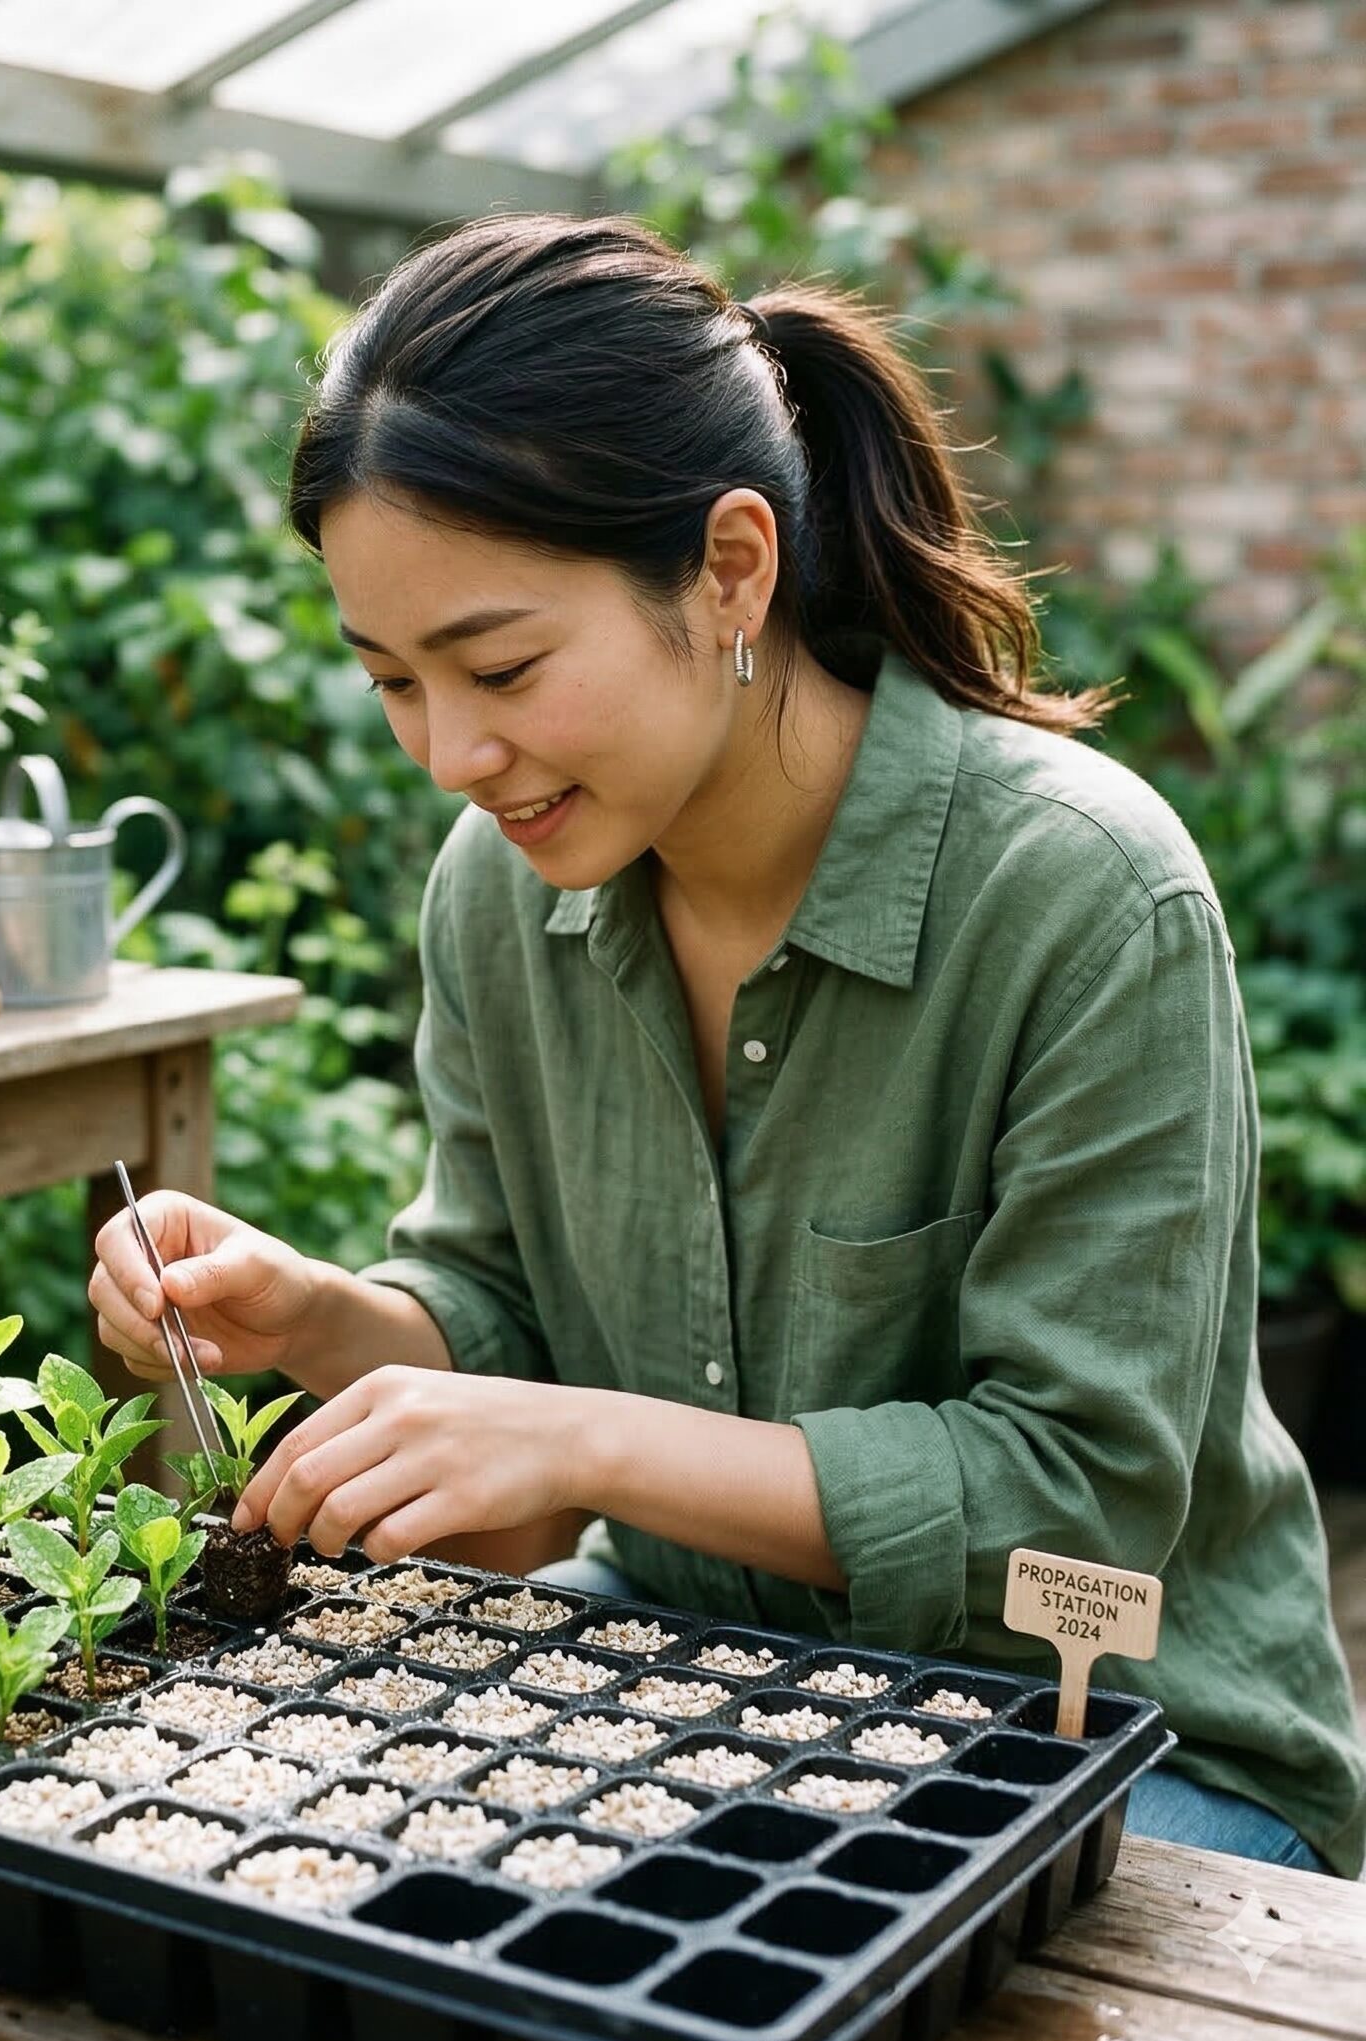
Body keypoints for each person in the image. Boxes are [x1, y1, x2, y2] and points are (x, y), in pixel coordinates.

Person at [87, 213, 1364, 1878]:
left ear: (733, 568)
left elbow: (1072, 1501)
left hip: (1099, 1729)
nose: (450, 753)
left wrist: (586, 1437)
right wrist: (330, 1320)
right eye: (393, 680)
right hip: (689, 1683)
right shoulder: (502, 889)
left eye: (502, 663)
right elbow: (514, 1404)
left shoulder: (1080, 895)